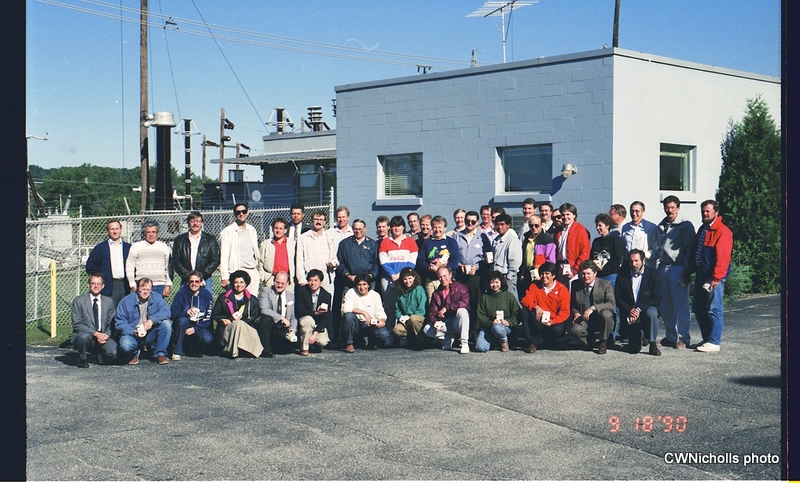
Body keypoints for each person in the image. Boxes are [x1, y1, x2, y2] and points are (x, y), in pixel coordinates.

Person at [683, 200, 733, 353]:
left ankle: (714, 341)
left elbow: (723, 257)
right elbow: (695, 252)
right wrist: (689, 271)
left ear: (716, 212)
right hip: (701, 275)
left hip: (713, 278)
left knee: (714, 308)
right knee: (697, 307)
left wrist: (716, 278)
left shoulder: (722, 231)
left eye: (707, 211)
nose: (704, 214)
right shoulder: (703, 229)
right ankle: (707, 339)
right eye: (703, 211)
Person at [657, 195, 696, 349]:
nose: (670, 210)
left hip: (678, 268)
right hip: (663, 268)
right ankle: (671, 336)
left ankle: (684, 338)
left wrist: (687, 271)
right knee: (666, 305)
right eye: (667, 207)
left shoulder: (685, 225)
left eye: (673, 207)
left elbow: (689, 249)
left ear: (678, 208)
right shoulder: (662, 225)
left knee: (681, 305)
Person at [114, 277, 173, 365]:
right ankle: (134, 353)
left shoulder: (156, 297)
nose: (145, 292)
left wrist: (152, 320)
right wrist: (133, 331)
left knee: (166, 324)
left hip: (150, 332)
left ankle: (160, 354)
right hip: (133, 334)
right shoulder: (126, 301)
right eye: (143, 289)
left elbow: (167, 311)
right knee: (125, 344)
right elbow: (119, 323)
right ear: (137, 289)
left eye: (148, 290)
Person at [615, 250, 663, 356]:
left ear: (643, 260)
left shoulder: (653, 274)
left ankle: (652, 344)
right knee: (634, 349)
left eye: (636, 261)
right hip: (631, 312)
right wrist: (629, 310)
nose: (634, 264)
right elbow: (617, 297)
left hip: (646, 308)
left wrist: (639, 309)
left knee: (652, 313)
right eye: (631, 261)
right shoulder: (623, 275)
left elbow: (656, 297)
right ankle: (640, 337)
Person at [519, 262, 570, 353]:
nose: (544, 276)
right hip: (539, 318)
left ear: (553, 275)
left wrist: (553, 321)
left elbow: (565, 312)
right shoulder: (535, 285)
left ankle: (540, 341)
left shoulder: (562, 289)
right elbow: (525, 300)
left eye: (547, 273)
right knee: (524, 311)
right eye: (542, 273)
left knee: (557, 330)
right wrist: (535, 307)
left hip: (554, 321)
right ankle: (531, 342)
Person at [212, 270, 264, 359]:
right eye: (236, 282)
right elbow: (215, 315)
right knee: (237, 324)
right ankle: (234, 351)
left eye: (241, 282)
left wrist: (240, 321)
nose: (239, 285)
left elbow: (254, 316)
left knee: (239, 324)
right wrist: (228, 319)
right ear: (232, 283)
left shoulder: (252, 300)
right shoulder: (223, 297)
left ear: (246, 284)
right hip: (228, 327)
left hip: (246, 328)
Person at [71, 274, 118, 367]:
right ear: (88, 285)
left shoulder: (108, 301)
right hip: (87, 334)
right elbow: (77, 324)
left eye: (98, 284)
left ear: (102, 286)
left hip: (103, 335)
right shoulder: (79, 301)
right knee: (83, 337)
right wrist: (96, 334)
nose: (96, 286)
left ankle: (98, 353)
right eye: (93, 283)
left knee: (114, 353)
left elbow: (111, 322)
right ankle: (82, 358)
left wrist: (105, 336)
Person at [569, 261, 615, 355]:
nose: (585, 276)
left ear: (595, 273)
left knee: (606, 315)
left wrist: (593, 308)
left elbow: (611, 304)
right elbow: (573, 303)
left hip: (600, 317)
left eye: (588, 273)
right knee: (575, 329)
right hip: (584, 318)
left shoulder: (605, 284)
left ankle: (603, 342)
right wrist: (576, 313)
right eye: (583, 274)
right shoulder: (575, 284)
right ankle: (589, 339)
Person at [454, 210, 486, 336]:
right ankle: (462, 332)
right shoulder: (457, 236)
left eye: (473, 221)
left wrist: (477, 267)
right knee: (462, 304)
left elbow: (487, 258)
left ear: (477, 222)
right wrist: (459, 265)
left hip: (476, 276)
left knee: (475, 303)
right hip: (461, 275)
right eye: (467, 221)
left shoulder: (482, 237)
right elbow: (453, 256)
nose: (470, 223)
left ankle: (474, 332)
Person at [424, 266, 470, 354]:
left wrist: (447, 308)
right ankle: (448, 337)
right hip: (445, 323)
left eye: (445, 276)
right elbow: (433, 311)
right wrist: (435, 322)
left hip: (457, 321)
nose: (443, 279)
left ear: (450, 275)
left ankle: (464, 343)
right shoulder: (436, 293)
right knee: (427, 329)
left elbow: (465, 303)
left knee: (462, 311)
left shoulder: (461, 288)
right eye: (440, 277)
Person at [169, 270, 214, 360]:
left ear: (201, 283)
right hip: (183, 326)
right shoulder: (181, 293)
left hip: (198, 326)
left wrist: (195, 329)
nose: (194, 284)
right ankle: (177, 351)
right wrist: (185, 312)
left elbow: (208, 317)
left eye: (197, 281)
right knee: (182, 320)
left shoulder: (206, 295)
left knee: (207, 338)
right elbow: (172, 312)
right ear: (187, 282)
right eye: (191, 281)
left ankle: (192, 347)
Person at [85, 219, 131, 306]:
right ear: (108, 231)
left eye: (117, 228)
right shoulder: (100, 248)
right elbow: (90, 267)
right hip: (109, 286)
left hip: (125, 285)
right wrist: (103, 277)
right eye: (112, 229)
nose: (115, 231)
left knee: (125, 309)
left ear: (121, 229)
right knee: (109, 310)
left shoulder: (128, 247)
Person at [341, 274, 391, 353]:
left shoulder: (375, 295)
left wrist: (382, 321)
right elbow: (346, 308)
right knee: (348, 316)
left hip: (370, 324)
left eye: (364, 284)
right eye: (359, 285)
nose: (362, 287)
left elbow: (380, 312)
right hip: (357, 323)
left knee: (384, 334)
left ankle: (371, 343)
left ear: (368, 285)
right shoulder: (351, 292)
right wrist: (364, 313)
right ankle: (349, 343)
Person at [171, 211, 220, 290]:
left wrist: (201, 275)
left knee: (205, 298)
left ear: (201, 223)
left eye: (198, 221)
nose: (195, 224)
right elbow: (176, 261)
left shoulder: (210, 240)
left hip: (205, 279)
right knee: (185, 298)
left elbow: (215, 260)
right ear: (188, 223)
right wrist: (189, 276)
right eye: (192, 221)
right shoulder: (179, 240)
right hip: (186, 280)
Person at [220, 203, 260, 294]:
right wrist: (224, 277)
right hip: (237, 270)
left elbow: (255, 253)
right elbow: (224, 255)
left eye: (243, 211)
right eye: (238, 212)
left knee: (252, 299)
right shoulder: (228, 231)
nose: (241, 214)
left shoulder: (252, 230)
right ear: (235, 214)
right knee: (237, 300)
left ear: (247, 212)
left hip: (252, 270)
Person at [475, 271, 520, 352]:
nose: (494, 285)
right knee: (480, 347)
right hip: (489, 326)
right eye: (492, 282)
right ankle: (495, 341)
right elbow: (480, 314)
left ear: (501, 282)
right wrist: (490, 322)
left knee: (497, 328)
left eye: (497, 282)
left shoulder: (509, 296)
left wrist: (509, 322)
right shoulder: (484, 297)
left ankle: (503, 341)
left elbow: (517, 314)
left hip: (505, 327)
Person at [296, 209, 338, 294]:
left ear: (324, 222)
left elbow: (334, 255)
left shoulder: (329, 236)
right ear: (312, 221)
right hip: (310, 278)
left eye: (321, 219)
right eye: (316, 219)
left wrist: (333, 264)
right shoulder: (303, 237)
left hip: (326, 278)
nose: (318, 222)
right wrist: (301, 279)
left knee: (326, 301)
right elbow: (299, 260)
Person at [126, 221, 172, 298]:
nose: (151, 234)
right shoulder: (136, 247)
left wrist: (168, 285)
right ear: (144, 233)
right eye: (148, 232)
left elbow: (169, 268)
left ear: (157, 234)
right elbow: (129, 266)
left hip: (159, 286)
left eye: (153, 232)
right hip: (142, 285)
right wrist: (132, 284)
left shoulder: (164, 247)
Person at [420, 215, 460, 301]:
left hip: (447, 280)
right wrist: (430, 267)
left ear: (445, 228)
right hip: (431, 280)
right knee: (433, 303)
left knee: (449, 302)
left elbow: (455, 260)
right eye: (435, 227)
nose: (437, 230)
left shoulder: (451, 242)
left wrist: (441, 269)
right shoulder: (427, 243)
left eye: (439, 227)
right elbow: (421, 260)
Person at [256, 271, 296, 356]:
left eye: (283, 283)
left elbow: (293, 316)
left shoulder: (290, 296)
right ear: (274, 281)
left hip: (282, 326)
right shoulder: (265, 291)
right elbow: (264, 310)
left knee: (288, 348)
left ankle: (275, 346)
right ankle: (266, 350)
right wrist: (281, 318)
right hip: (270, 325)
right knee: (266, 319)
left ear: (287, 283)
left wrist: (293, 330)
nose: (280, 285)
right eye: (277, 282)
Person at [295, 269, 333, 356]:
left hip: (318, 323)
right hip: (306, 319)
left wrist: (315, 333)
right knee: (308, 320)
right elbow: (300, 310)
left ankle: (313, 344)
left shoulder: (326, 295)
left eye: (316, 280)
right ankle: (304, 348)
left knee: (323, 341)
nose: (313, 283)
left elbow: (326, 317)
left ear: (321, 282)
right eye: (310, 280)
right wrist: (315, 313)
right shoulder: (301, 291)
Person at [518, 214, 557, 299]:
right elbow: (524, 257)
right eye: (531, 225)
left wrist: (543, 275)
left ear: (541, 225)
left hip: (540, 275)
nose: (534, 228)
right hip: (527, 273)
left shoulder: (548, 241)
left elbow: (551, 262)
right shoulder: (526, 239)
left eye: (536, 225)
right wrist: (522, 272)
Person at [553, 203, 591, 287]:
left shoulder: (580, 230)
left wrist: (575, 270)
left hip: (573, 268)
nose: (565, 217)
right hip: (560, 267)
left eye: (568, 214)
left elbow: (584, 252)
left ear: (574, 215)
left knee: (573, 292)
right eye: (563, 215)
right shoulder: (558, 231)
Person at [621, 201, 663, 269]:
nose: (634, 214)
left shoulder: (651, 228)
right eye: (632, 211)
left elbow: (657, 250)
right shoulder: (625, 227)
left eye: (637, 211)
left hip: (646, 266)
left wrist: (643, 255)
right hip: (629, 267)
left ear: (643, 212)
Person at [392, 267, 427, 349]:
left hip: (418, 318)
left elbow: (422, 309)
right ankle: (412, 339)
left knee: (413, 319)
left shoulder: (419, 289)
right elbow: (397, 309)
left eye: (410, 278)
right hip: (406, 320)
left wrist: (409, 318)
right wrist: (401, 318)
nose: (407, 281)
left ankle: (422, 340)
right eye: (405, 279)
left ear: (414, 277)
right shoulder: (400, 291)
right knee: (397, 329)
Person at [258, 217, 296, 289]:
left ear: (285, 230)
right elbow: (260, 263)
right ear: (272, 229)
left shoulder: (293, 244)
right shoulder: (265, 244)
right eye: (276, 228)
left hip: (288, 280)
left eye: (281, 228)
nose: (278, 231)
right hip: (271, 279)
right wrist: (264, 278)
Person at [491, 213, 522, 299]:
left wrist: (510, 276)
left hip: (507, 276)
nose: (499, 227)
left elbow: (515, 260)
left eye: (502, 224)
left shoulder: (512, 240)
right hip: (496, 276)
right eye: (497, 224)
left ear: (508, 225)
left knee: (511, 299)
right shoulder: (496, 240)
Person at [590, 213, 625, 286]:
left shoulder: (615, 240)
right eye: (596, 225)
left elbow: (617, 260)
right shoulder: (596, 241)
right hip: (597, 275)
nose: (597, 228)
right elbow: (592, 257)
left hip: (610, 275)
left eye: (600, 225)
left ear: (607, 226)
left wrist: (603, 268)